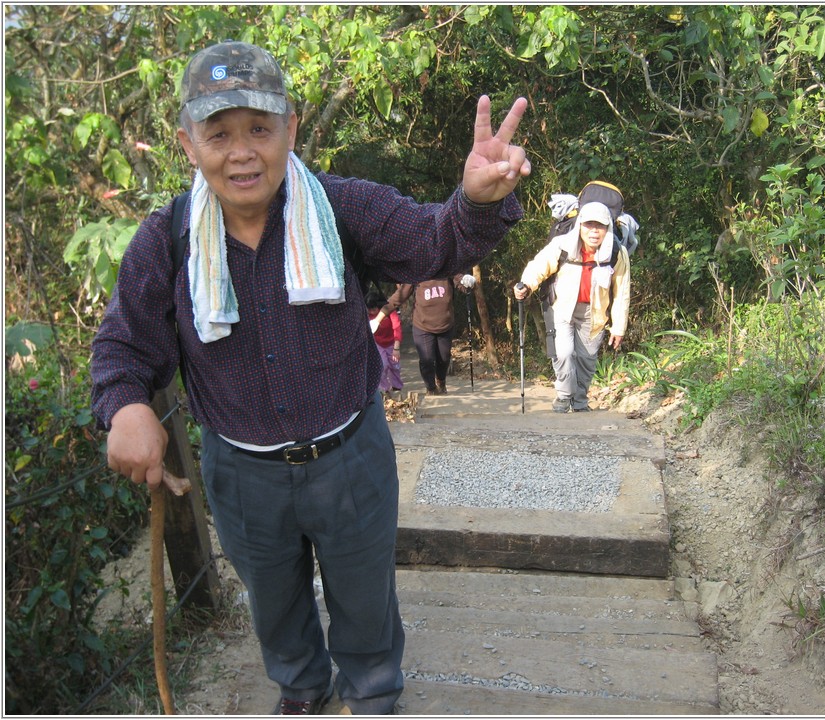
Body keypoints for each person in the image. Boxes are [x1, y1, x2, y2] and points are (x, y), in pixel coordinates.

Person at [90, 41, 529, 716]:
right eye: (219, 134)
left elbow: (433, 241)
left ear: (290, 127)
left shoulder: (345, 208)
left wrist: (472, 202)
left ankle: (373, 690)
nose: (241, 153)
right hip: (241, 473)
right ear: (187, 144)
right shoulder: (167, 240)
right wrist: (125, 408)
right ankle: (300, 687)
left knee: (363, 592)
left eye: (259, 130)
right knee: (272, 598)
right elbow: (125, 341)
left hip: (349, 457)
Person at [514, 201, 630, 413]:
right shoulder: (563, 245)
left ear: (608, 228)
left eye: (600, 226)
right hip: (562, 307)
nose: (594, 231)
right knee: (563, 353)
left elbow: (621, 290)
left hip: (594, 313)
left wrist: (618, 327)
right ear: (580, 225)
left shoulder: (616, 252)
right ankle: (564, 396)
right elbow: (540, 265)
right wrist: (526, 285)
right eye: (588, 225)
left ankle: (580, 402)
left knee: (586, 360)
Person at [385, 273, 476, 395]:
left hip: (445, 325)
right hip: (422, 326)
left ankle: (441, 380)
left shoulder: (447, 269)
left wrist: (467, 281)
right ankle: (431, 388)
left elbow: (460, 282)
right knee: (427, 359)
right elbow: (400, 295)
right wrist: (382, 311)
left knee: (444, 358)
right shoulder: (417, 273)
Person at [366, 286, 403, 394]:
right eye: (369, 310)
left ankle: (397, 387)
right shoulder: (367, 316)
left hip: (392, 343)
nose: (372, 312)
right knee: (382, 366)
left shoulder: (390, 311)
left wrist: (396, 348)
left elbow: (397, 328)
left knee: (395, 366)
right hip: (378, 343)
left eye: (374, 309)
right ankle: (384, 389)